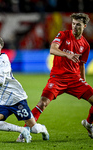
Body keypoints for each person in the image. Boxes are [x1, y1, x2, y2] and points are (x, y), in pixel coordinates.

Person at [17, 13, 93, 141]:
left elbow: (81, 64)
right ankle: (24, 132)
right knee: (42, 103)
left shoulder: (85, 45)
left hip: (75, 80)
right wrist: (66, 55)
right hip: (57, 78)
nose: (74, 27)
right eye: (73, 23)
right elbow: (52, 49)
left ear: (84, 26)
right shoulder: (63, 35)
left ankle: (88, 123)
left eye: (78, 25)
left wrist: (83, 82)